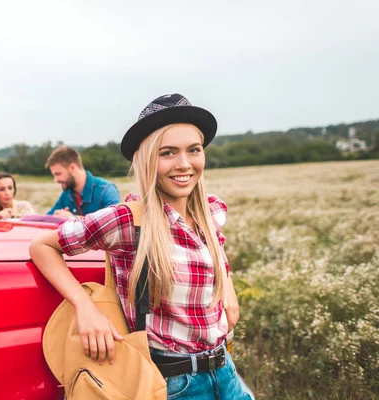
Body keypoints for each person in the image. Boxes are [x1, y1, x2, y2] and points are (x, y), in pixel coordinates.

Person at [30, 94, 254, 399]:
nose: (184, 164)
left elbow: (216, 250)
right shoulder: (127, 221)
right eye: (168, 152)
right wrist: (85, 307)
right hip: (174, 384)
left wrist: (226, 283)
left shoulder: (210, 212)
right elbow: (43, 246)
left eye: (194, 150)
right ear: (148, 159)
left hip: (225, 369)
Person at [45, 145, 120, 219]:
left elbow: (115, 222)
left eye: (58, 174)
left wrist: (72, 218)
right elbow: (47, 219)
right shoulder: (67, 193)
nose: (55, 180)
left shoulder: (107, 190)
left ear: (72, 168)